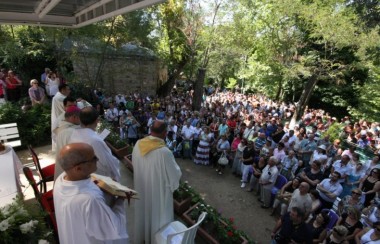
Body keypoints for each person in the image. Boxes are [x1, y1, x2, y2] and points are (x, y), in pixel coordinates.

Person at [54, 143, 128, 244]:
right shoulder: (89, 200)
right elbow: (115, 228)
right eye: (93, 158)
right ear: (78, 168)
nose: (97, 159)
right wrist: (120, 199)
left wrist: (105, 184)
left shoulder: (61, 179)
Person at [132, 120, 182, 244]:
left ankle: (144, 236)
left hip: (142, 188)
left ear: (150, 130)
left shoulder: (138, 144)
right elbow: (175, 175)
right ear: (165, 133)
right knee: (158, 217)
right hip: (159, 193)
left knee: (144, 212)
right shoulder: (164, 152)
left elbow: (135, 164)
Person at [70, 107, 121, 182]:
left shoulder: (74, 134)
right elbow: (107, 163)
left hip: (81, 175)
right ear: (97, 121)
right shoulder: (95, 140)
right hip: (97, 178)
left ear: (80, 120)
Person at [53, 105, 81, 180]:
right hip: (70, 168)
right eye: (80, 118)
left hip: (63, 165)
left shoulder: (61, 128)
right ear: (74, 117)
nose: (81, 121)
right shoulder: (71, 131)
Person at [51, 84, 71, 151]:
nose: (69, 91)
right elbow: (71, 108)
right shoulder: (60, 98)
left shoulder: (57, 96)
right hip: (62, 121)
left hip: (59, 120)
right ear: (63, 90)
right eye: (68, 89)